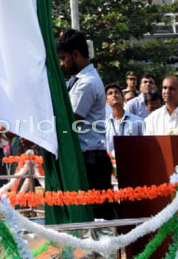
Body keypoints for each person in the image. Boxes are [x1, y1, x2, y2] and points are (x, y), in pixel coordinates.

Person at [56, 29, 113, 218]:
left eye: (63, 58)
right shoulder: (77, 81)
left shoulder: (86, 83)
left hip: (91, 161)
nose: (62, 64)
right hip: (85, 158)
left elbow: (70, 120)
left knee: (96, 217)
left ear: (76, 55)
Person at [103, 83, 143, 158]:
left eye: (116, 92)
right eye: (110, 93)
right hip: (112, 163)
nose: (114, 95)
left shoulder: (137, 121)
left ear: (123, 98)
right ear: (106, 101)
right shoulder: (105, 125)